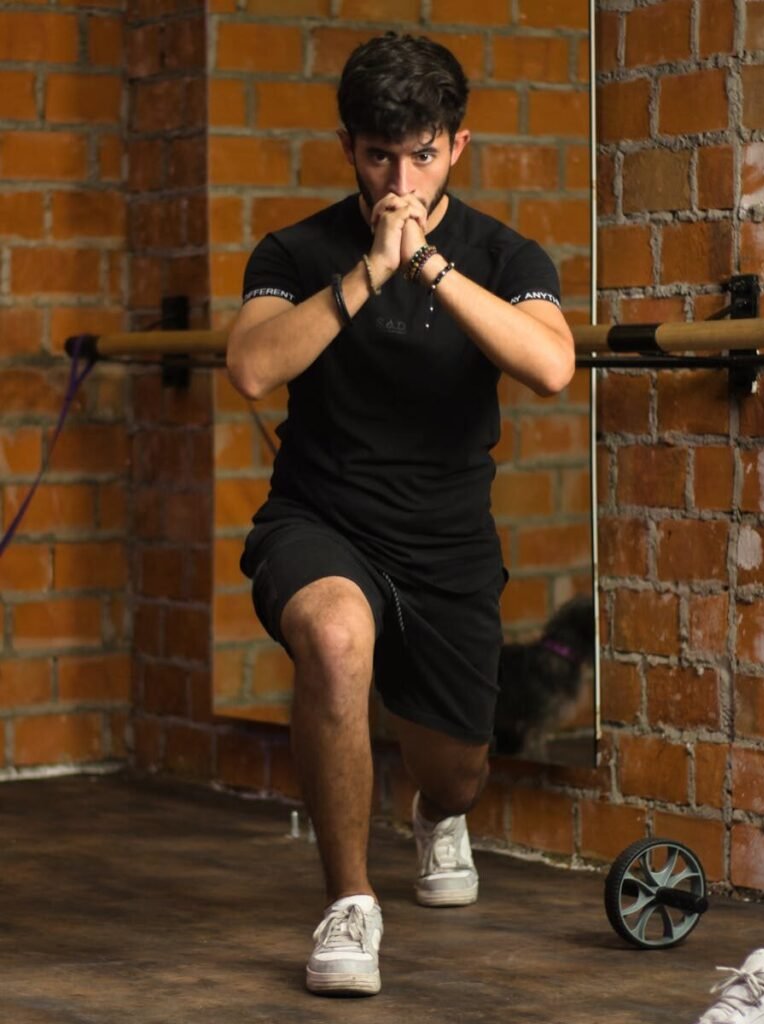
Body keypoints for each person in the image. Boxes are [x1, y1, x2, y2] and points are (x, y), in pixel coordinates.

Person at [226, 32, 575, 997]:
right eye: (381, 154)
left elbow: (550, 366)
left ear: (457, 147)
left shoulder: (507, 254)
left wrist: (425, 267)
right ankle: (350, 903)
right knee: (335, 640)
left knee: (457, 770)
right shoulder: (295, 250)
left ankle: (435, 815)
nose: (401, 176)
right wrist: (369, 272)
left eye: (422, 153)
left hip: (448, 541)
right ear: (350, 147)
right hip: (321, 521)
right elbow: (253, 368)